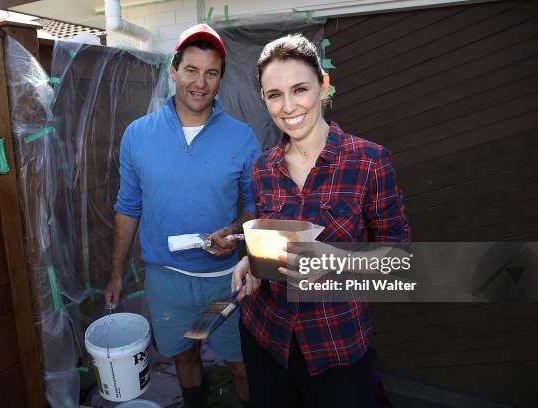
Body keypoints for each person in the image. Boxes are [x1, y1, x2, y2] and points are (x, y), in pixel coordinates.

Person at [232, 34, 411, 408]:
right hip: (266, 336)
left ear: (323, 86)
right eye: (274, 94)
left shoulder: (369, 162)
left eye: (300, 89)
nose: (288, 106)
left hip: (335, 344)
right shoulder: (263, 168)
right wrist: (252, 260)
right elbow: (270, 240)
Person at [105, 24, 260, 408]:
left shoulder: (242, 137)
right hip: (166, 279)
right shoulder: (138, 135)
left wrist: (235, 231)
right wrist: (115, 274)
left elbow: (256, 205)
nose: (200, 82)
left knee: (240, 363)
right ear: (173, 71)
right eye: (191, 69)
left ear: (221, 79)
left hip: (226, 280)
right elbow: (128, 207)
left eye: (211, 73)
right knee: (184, 355)